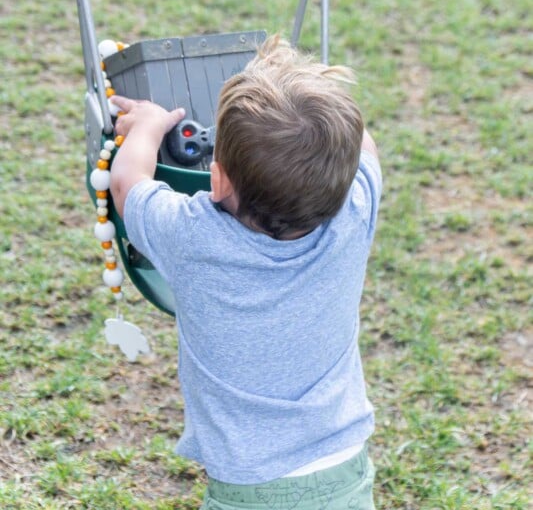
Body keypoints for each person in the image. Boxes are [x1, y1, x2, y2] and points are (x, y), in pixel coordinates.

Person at [110, 35, 382, 510]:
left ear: (216, 181)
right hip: (345, 473)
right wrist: (316, 99)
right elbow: (365, 148)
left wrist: (150, 126)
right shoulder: (355, 213)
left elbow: (126, 184)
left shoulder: (193, 237)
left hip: (248, 489)